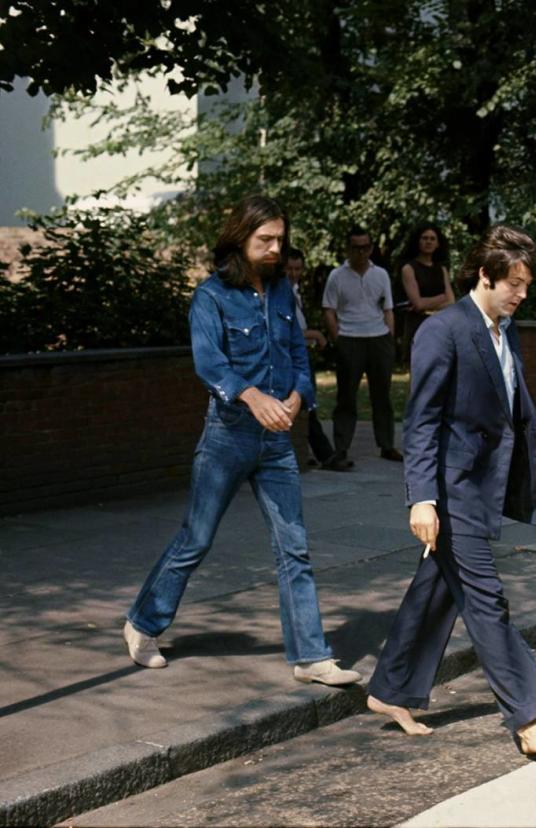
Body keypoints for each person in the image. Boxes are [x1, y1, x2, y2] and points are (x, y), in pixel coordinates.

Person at [123, 195, 360, 687]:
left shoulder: (281, 293)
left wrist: (299, 396)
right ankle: (143, 623)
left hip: (276, 442)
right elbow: (209, 364)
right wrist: (252, 397)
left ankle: (311, 656)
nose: (276, 249)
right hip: (227, 436)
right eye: (265, 240)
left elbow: (298, 354)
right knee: (196, 538)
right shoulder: (210, 296)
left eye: (280, 239)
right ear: (240, 239)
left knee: (293, 546)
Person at [366, 225, 536, 757]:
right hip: (451, 487)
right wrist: (421, 498)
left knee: (439, 588)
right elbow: (421, 422)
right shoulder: (444, 330)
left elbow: (518, 401)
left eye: (526, 284)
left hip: (484, 485)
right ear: (484, 275)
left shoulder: (503, 328)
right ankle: (529, 712)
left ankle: (391, 689)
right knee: (486, 601)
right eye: (514, 283)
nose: (521, 294)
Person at [322, 227, 402, 465]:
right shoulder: (337, 275)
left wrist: (389, 336)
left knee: (383, 396)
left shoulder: (381, 275)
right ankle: (342, 447)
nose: (361, 252)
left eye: (365, 247)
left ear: (371, 248)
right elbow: (329, 309)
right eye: (356, 247)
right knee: (346, 397)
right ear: (348, 248)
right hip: (350, 338)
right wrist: (338, 338)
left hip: (378, 338)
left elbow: (388, 309)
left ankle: (387, 444)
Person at [285, 248, 341, 469]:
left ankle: (315, 452)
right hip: (291, 357)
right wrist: (315, 334)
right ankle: (324, 454)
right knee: (306, 404)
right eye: (289, 268)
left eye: (297, 269)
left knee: (308, 404)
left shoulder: (295, 291)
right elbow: (289, 332)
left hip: (301, 354)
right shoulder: (279, 294)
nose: (293, 273)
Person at [399, 223, 456, 363]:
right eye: (424, 238)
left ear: (438, 244)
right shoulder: (408, 269)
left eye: (432, 238)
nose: (428, 241)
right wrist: (442, 298)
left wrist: (428, 303)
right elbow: (418, 304)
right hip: (417, 326)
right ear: (417, 241)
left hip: (441, 325)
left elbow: (452, 302)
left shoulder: (442, 269)